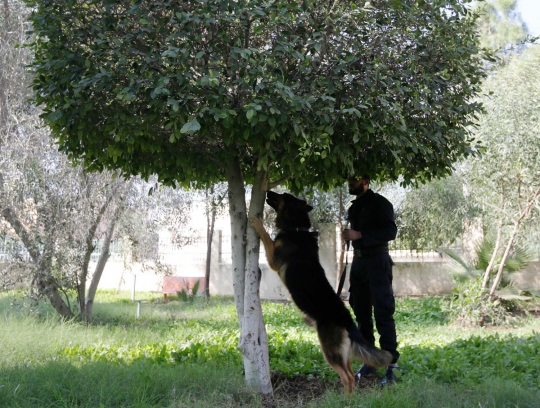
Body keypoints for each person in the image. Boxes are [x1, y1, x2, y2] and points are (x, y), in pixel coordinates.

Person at [342, 175, 400, 386]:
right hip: (359, 264)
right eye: (349, 179)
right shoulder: (354, 207)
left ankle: (391, 364)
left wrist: (360, 235)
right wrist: (350, 237)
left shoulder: (381, 204)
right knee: (361, 312)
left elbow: (391, 231)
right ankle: (370, 362)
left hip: (378, 262)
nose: (350, 183)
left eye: (354, 179)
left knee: (383, 311)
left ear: (366, 181)